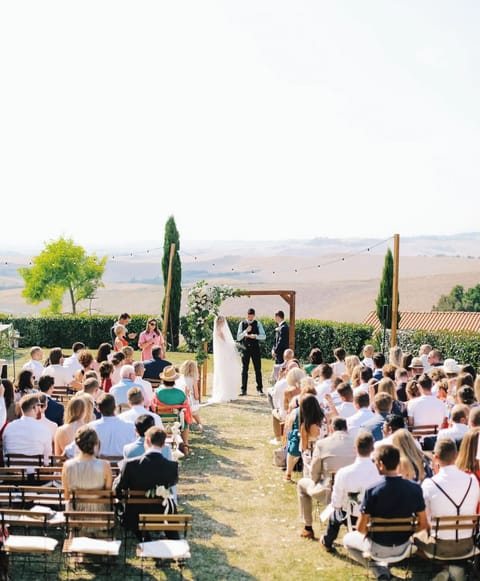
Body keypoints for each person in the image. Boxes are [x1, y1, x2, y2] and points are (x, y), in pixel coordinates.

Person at [343, 444, 428, 580]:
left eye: (375, 462)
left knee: (347, 540)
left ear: (381, 464)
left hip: (377, 548)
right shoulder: (414, 489)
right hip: (404, 546)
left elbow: (360, 528)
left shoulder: (372, 490)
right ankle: (382, 572)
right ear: (398, 463)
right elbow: (423, 524)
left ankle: (380, 572)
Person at [416, 438, 480, 579]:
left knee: (413, 538)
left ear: (436, 457)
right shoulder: (473, 481)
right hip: (468, 545)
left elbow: (424, 520)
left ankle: (447, 568)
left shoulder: (429, 484)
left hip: (439, 547)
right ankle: (455, 569)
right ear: (456, 455)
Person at [316, 431, 383, 551]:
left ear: (355, 449)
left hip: (351, 515)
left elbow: (336, 502)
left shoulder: (344, 473)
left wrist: (338, 506)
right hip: (375, 516)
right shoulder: (380, 471)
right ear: (372, 449)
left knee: (334, 516)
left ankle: (327, 541)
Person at [113, 426, 179, 540]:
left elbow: (119, 489)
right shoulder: (172, 467)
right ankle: (173, 540)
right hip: (162, 512)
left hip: (135, 514)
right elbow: (171, 486)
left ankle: (144, 538)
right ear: (163, 445)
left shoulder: (130, 465)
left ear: (147, 441)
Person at [62, 425, 113, 511]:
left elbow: (66, 496)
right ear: (96, 443)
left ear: (77, 444)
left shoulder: (67, 466)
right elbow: (108, 495)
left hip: (75, 514)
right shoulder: (105, 465)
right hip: (100, 515)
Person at [2, 393, 52, 464]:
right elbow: (47, 460)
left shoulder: (9, 427)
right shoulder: (45, 430)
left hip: (11, 472)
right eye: (39, 405)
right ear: (34, 408)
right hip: (36, 473)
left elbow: (5, 453)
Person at [211, 315, 241, 402]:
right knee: (225, 373)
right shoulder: (220, 332)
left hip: (222, 355)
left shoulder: (217, 331)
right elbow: (225, 344)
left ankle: (226, 392)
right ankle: (226, 393)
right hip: (224, 356)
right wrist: (233, 345)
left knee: (223, 373)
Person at [237, 308, 266, 396]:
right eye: (248, 315)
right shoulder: (242, 324)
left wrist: (255, 336)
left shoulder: (258, 324)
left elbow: (263, 336)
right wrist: (246, 331)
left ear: (254, 315)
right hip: (245, 349)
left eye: (251, 316)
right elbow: (238, 338)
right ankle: (243, 389)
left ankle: (260, 389)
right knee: (244, 369)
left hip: (255, 349)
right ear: (247, 315)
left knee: (258, 369)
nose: (250, 317)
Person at [178, 359, 203, 430]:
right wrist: (197, 398)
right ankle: (199, 423)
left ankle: (187, 422)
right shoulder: (193, 379)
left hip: (180, 399)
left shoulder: (180, 377)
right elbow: (196, 393)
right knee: (194, 411)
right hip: (190, 400)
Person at [271, 310, 290, 381]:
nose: (275, 319)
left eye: (275, 317)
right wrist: (273, 349)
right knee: (277, 370)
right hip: (278, 353)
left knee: (281, 370)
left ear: (278, 317)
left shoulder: (284, 327)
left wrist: (275, 351)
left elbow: (281, 342)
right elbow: (275, 341)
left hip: (281, 353)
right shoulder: (280, 327)